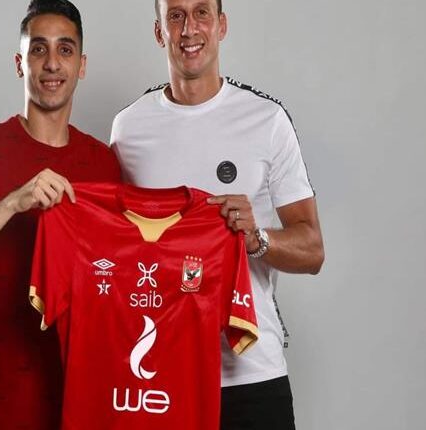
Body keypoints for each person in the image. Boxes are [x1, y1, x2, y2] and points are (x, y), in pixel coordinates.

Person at [110, 0, 324, 428]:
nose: (189, 29)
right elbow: (117, 249)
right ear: (159, 32)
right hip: (161, 373)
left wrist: (258, 239)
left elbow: (313, 250)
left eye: (202, 13)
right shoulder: (128, 129)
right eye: (175, 16)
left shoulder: (267, 120)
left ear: (221, 25)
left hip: (251, 375)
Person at [0, 1, 121, 428]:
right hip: (7, 403)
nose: (52, 63)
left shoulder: (104, 163)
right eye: (38, 49)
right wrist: (12, 202)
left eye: (65, 49)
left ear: (82, 65)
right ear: (20, 64)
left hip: (86, 398)